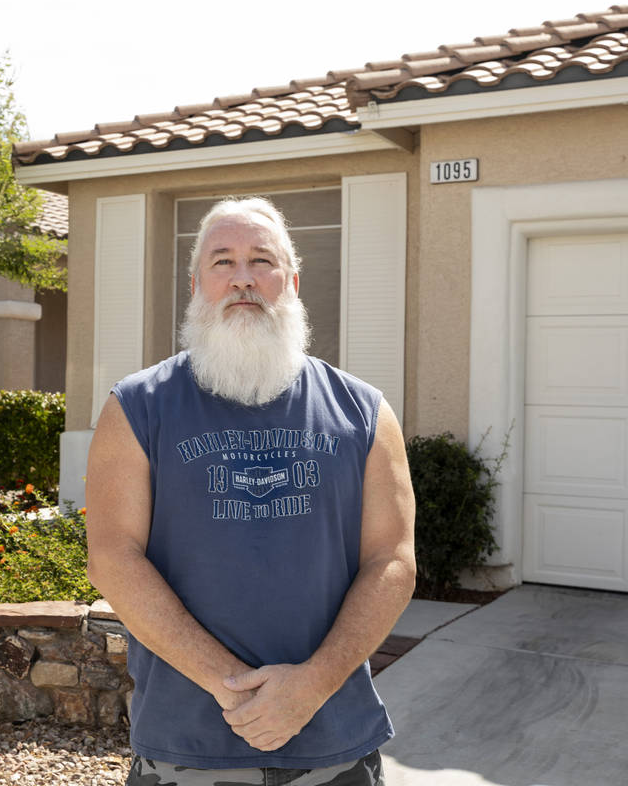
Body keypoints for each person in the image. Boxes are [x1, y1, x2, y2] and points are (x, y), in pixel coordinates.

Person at [85, 196, 416, 786]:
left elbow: (392, 561)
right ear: (196, 284)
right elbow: (113, 557)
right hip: (184, 748)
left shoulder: (364, 412)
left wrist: (310, 686)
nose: (243, 278)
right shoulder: (135, 408)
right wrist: (233, 688)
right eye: (222, 261)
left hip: (335, 743)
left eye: (261, 260)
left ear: (292, 280)